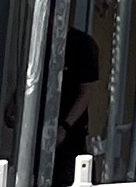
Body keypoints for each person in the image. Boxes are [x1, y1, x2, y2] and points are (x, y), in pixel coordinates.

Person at [56, 27, 101, 185]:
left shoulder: (81, 44)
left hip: (71, 132)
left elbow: (85, 93)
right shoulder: (38, 41)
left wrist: (65, 127)